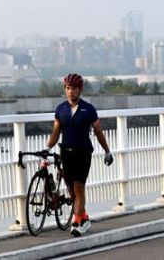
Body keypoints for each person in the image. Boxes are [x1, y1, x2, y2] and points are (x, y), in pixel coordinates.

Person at [46, 73, 113, 237]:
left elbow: (98, 132)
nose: (71, 92)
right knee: (71, 190)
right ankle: (84, 217)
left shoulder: (88, 109)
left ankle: (77, 222)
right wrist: (47, 148)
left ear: (80, 90)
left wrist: (107, 151)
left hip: (83, 153)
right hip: (66, 153)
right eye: (68, 88)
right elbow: (56, 132)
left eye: (74, 88)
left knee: (79, 187)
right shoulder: (60, 109)